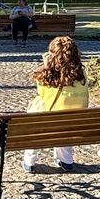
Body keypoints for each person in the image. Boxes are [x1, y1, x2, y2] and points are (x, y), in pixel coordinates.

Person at [22, 35, 88, 173]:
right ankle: (66, 160)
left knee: (37, 110)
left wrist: (46, 67)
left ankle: (29, 161)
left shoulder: (45, 76)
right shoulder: (81, 76)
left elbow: (42, 94)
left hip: (46, 124)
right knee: (66, 115)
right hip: (73, 124)